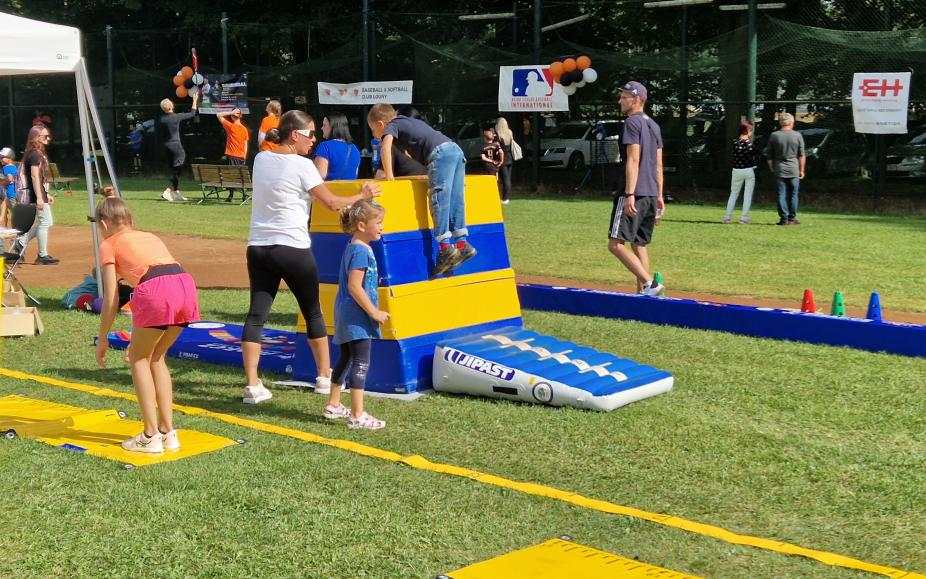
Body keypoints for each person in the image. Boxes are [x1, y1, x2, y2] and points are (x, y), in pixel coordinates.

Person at [242, 110, 380, 405]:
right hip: (292, 247)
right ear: (295, 135)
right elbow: (331, 203)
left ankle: (252, 385)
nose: (314, 140)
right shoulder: (303, 166)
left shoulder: (261, 159)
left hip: (259, 246)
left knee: (257, 313)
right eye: (311, 134)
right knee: (313, 311)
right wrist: (362, 194)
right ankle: (324, 376)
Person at [94, 197, 200, 453]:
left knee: (138, 358)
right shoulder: (148, 236)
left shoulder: (109, 243)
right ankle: (168, 432)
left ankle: (150, 435)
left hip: (156, 289)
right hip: (185, 284)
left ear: (105, 223)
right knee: (157, 358)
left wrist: (103, 336)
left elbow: (111, 297)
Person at [368, 103, 475, 277]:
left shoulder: (392, 125)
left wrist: (390, 178)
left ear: (381, 124)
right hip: (455, 150)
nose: (374, 135)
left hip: (440, 153)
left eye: (372, 130)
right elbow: (410, 156)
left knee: (439, 199)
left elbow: (385, 148)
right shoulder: (407, 124)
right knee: (455, 199)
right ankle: (462, 244)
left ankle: (445, 248)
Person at [323, 200, 389, 430]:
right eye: (378, 223)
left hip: (344, 312)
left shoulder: (352, 246)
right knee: (361, 361)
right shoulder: (361, 251)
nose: (382, 227)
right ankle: (357, 415)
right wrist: (374, 312)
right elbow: (355, 286)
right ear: (362, 225)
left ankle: (333, 403)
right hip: (357, 316)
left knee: (346, 357)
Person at [607, 81, 664, 296]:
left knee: (615, 244)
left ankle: (650, 283)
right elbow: (658, 164)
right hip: (650, 193)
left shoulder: (631, 122)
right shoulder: (654, 125)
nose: (620, 100)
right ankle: (644, 294)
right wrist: (659, 196)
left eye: (624, 96)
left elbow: (633, 159)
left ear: (637, 99)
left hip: (634, 192)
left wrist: (629, 193)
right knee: (639, 244)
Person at [8, 125, 58, 265]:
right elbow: (35, 177)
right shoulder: (35, 154)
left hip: (38, 193)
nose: (48, 138)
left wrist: (46, 194)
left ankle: (21, 242)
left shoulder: (34, 153)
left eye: (48, 136)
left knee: (45, 222)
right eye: (45, 136)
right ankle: (42, 255)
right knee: (45, 222)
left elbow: (40, 178)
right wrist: (40, 198)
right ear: (36, 137)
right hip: (35, 195)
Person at [764, 112, 805, 225]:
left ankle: (784, 218)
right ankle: (792, 218)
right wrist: (802, 170)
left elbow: (769, 155)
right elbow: (801, 155)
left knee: (781, 194)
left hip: (779, 168)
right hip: (793, 168)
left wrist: (772, 168)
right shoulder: (797, 135)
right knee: (793, 194)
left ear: (781, 122)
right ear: (791, 122)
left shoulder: (774, 135)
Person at [159, 92, 199, 202]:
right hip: (176, 147)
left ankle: (176, 192)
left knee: (173, 169)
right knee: (177, 170)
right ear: (171, 106)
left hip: (166, 147)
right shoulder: (176, 117)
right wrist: (195, 99)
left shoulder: (161, 119)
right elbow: (192, 113)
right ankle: (167, 191)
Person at [723, 121, 759, 224]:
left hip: (736, 170)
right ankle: (744, 217)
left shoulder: (735, 143)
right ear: (748, 131)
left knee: (733, 193)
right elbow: (755, 156)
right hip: (748, 170)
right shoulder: (750, 145)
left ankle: (727, 216)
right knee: (747, 195)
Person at [314, 112, 361, 180]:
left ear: (332, 127)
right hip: (350, 189)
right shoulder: (354, 148)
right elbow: (355, 174)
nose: (321, 128)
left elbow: (319, 177)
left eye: (324, 125)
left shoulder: (325, 146)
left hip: (329, 189)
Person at [494, 117, 515, 204]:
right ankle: (505, 197)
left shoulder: (498, 134)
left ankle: (505, 198)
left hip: (502, 159)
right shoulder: (510, 132)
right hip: (510, 157)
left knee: (504, 179)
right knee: (507, 178)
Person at [1, 147, 17, 231]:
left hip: (9, 194)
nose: (1, 159)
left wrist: (2, 182)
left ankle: (16, 232)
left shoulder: (6, 168)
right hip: (13, 194)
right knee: (11, 213)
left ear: (10, 158)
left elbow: (10, 179)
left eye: (3, 157)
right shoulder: (14, 167)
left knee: (14, 214)